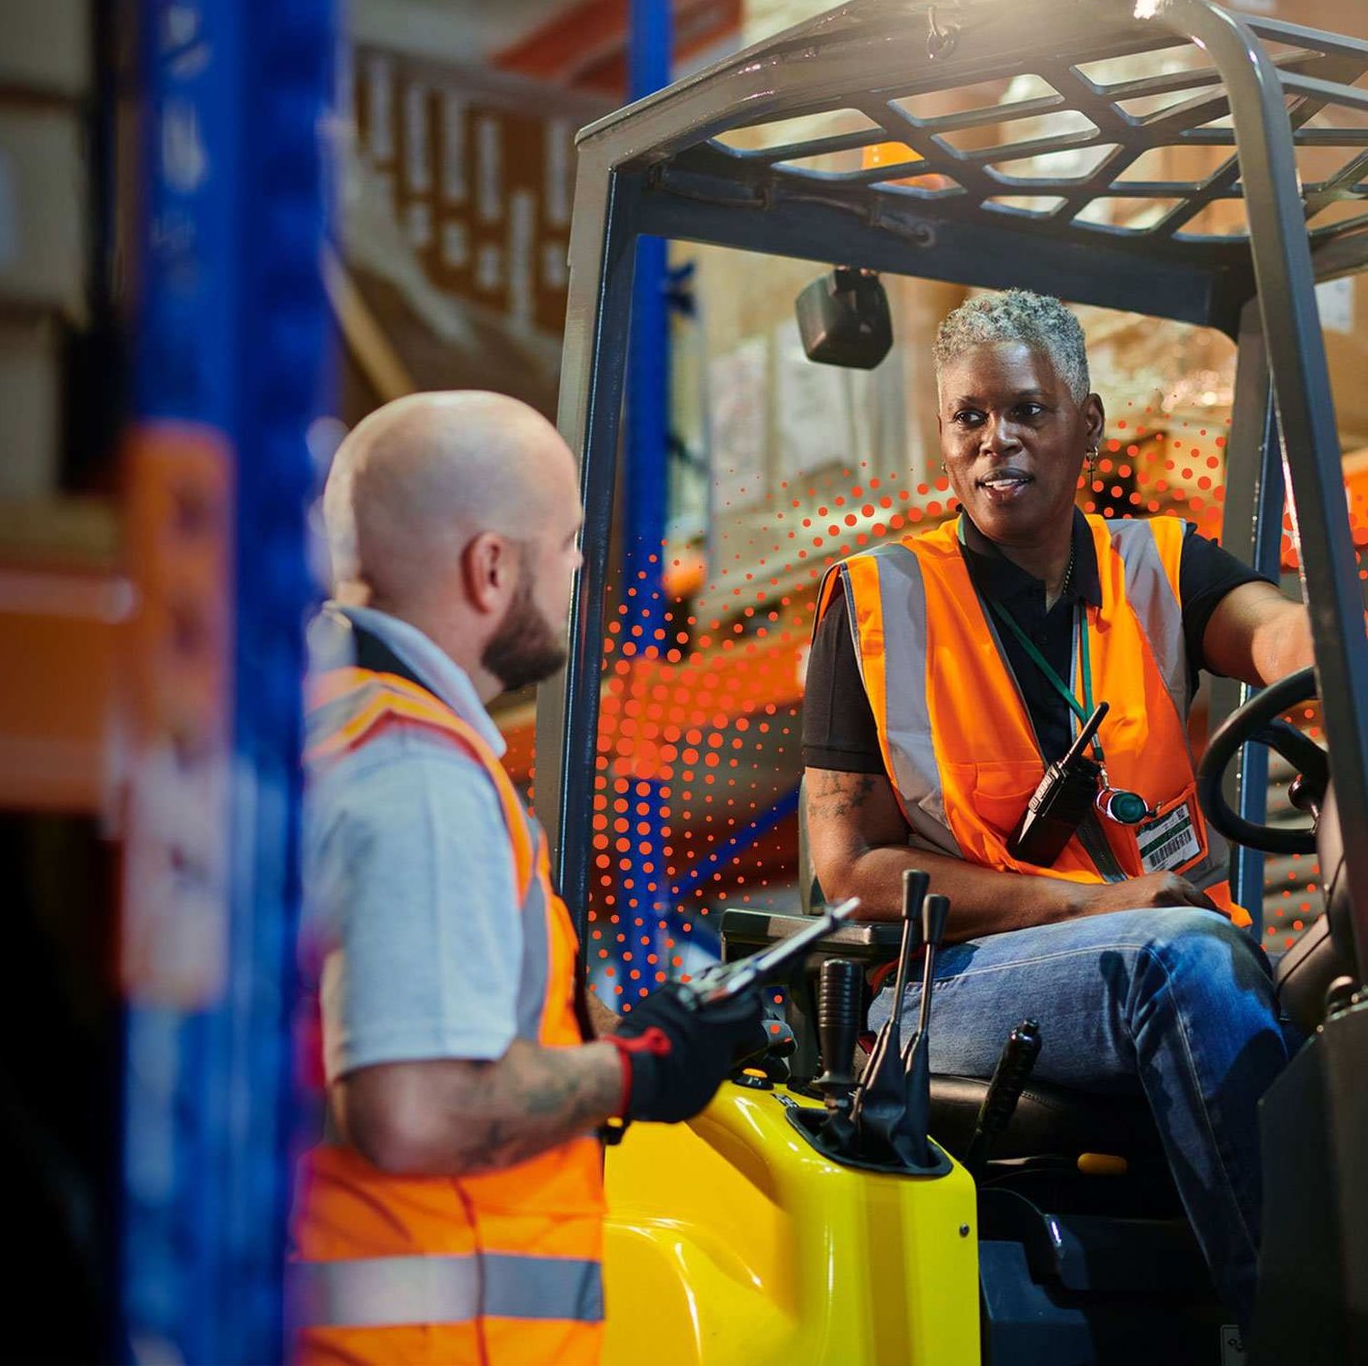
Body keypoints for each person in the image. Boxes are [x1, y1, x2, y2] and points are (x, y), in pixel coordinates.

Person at [801, 289, 1311, 1330]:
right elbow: (847, 874)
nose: (997, 443)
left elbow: (1277, 637)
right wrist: (1090, 906)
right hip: (941, 982)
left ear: (1086, 423)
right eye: (969, 418)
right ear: (942, 437)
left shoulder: (1157, 566)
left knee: (1342, 981)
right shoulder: (875, 601)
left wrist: (1323, 672)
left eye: (1026, 412)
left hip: (1144, 935)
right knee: (1181, 962)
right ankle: (1310, 1329)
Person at [290, 390, 765, 1366]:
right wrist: (639, 1066)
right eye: (566, 544)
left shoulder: (335, 723)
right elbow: (412, 1108)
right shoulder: (419, 773)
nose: (577, 569)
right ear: (491, 566)